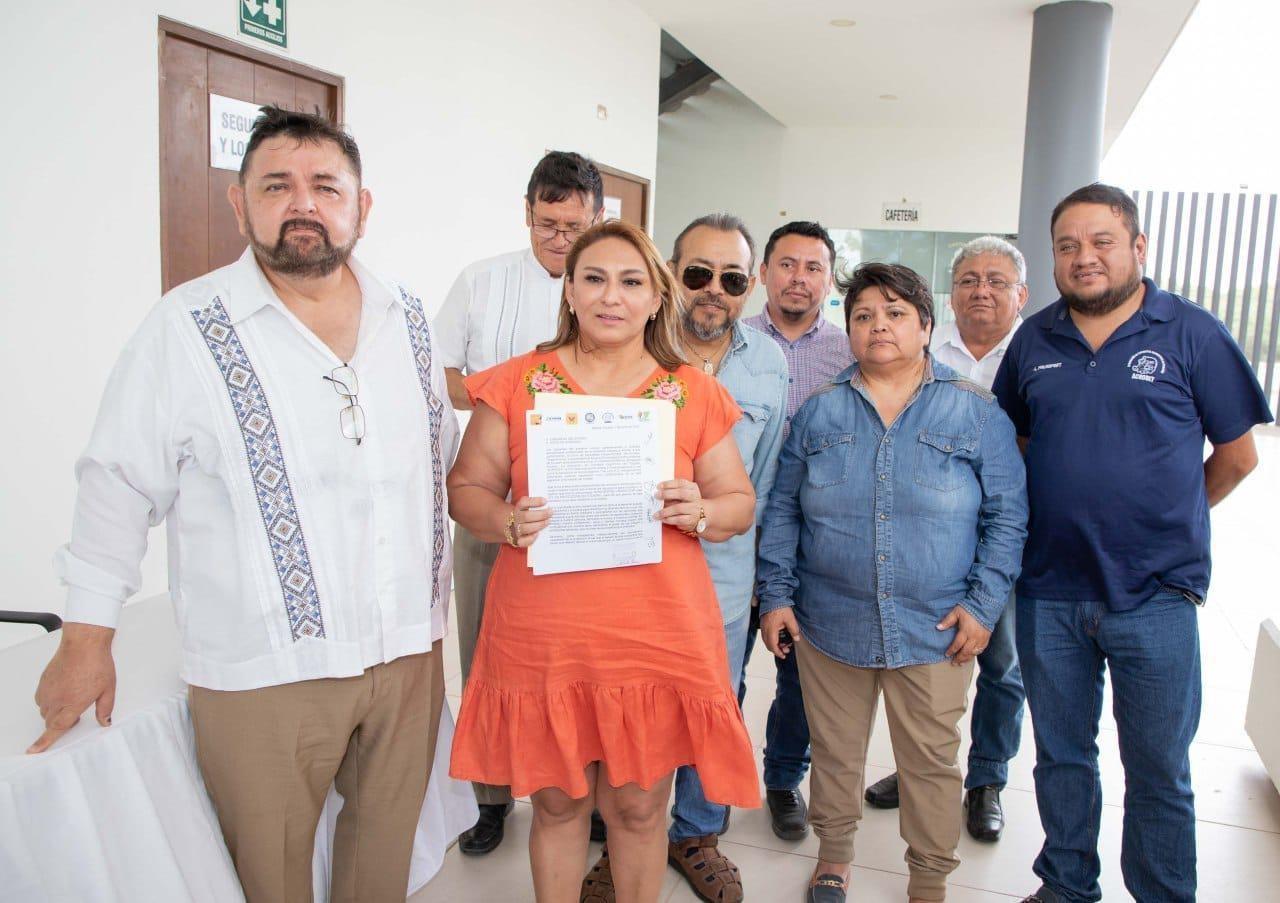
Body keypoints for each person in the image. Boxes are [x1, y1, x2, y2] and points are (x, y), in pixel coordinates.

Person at [29, 106, 460, 903]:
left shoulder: (407, 316)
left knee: (382, 865)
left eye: (326, 186)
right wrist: (87, 638)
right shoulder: (185, 328)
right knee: (269, 874)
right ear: (240, 204)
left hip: (406, 651)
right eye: (276, 185)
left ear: (361, 206)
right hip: (266, 671)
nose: (303, 204)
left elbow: (441, 455)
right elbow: (117, 482)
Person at [447, 219, 761, 903]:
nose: (610, 296)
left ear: (658, 298)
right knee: (558, 807)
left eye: (631, 281)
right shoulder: (519, 383)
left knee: (639, 808)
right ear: (569, 290)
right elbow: (465, 488)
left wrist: (701, 511)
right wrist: (503, 519)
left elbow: (739, 501)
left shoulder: (692, 392)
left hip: (653, 637)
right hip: (545, 637)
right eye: (593, 278)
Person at [993, 183, 1272, 903]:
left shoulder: (1192, 332)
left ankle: (1163, 894)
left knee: (1157, 767)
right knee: (1060, 757)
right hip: (1050, 588)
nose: (1084, 258)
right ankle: (1065, 885)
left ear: (1138, 247)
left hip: (1156, 596)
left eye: (1101, 241)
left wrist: (1171, 517)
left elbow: (1239, 455)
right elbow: (1019, 442)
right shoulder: (1035, 339)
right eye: (1067, 246)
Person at [757, 262, 1027, 903]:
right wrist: (776, 597)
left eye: (896, 313)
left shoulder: (975, 411)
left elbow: (1008, 516)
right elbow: (783, 511)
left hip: (936, 626)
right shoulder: (819, 413)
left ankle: (929, 879)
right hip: (830, 621)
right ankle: (835, 856)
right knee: (836, 752)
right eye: (863, 315)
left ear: (927, 326)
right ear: (846, 330)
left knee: (931, 762)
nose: (879, 325)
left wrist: (983, 608)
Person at [433, 150, 604, 854]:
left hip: (591, 508)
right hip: (493, 504)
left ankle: (586, 793)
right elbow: (438, 369)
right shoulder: (482, 282)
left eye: (573, 225)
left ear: (598, 218)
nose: (559, 241)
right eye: (546, 224)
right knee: (486, 656)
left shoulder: (613, 284)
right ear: (527, 211)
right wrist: (511, 390)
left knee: (588, 660)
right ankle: (493, 797)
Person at [864, 236, 1029, 842]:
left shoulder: (1034, 352)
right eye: (967, 279)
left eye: (996, 279)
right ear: (947, 295)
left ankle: (985, 778)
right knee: (921, 658)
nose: (981, 290)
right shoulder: (925, 350)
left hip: (1004, 536)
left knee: (1000, 662)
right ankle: (920, 772)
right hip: (927, 541)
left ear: (1021, 294)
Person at [742, 220, 854, 840]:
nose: (799, 278)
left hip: (809, 536)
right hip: (727, 529)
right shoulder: (732, 340)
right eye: (787, 264)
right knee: (719, 667)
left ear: (828, 281)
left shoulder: (848, 352)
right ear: (763, 272)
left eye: (813, 268)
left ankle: (783, 779)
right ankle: (699, 784)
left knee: (799, 673)